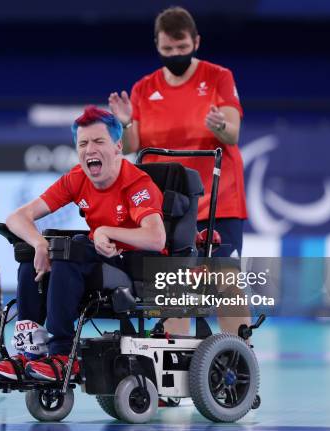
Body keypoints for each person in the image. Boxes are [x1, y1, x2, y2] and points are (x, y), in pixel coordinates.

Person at [0, 106, 166, 381]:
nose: (89, 149)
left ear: (118, 146)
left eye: (98, 141)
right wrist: (38, 244)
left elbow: (156, 237)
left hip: (134, 268)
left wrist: (107, 230)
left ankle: (62, 354)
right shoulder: (78, 178)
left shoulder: (137, 183)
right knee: (32, 257)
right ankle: (30, 353)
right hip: (94, 260)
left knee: (72, 248)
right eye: (83, 143)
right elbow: (17, 218)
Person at [108, 6, 250, 337]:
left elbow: (233, 134)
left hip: (219, 201)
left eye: (182, 48)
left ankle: (240, 358)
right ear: (157, 46)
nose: (175, 54)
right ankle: (174, 360)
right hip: (169, 207)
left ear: (196, 42)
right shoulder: (144, 88)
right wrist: (126, 121)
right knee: (172, 285)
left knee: (223, 279)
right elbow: (132, 145)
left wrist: (220, 125)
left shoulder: (219, 77)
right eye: (168, 49)